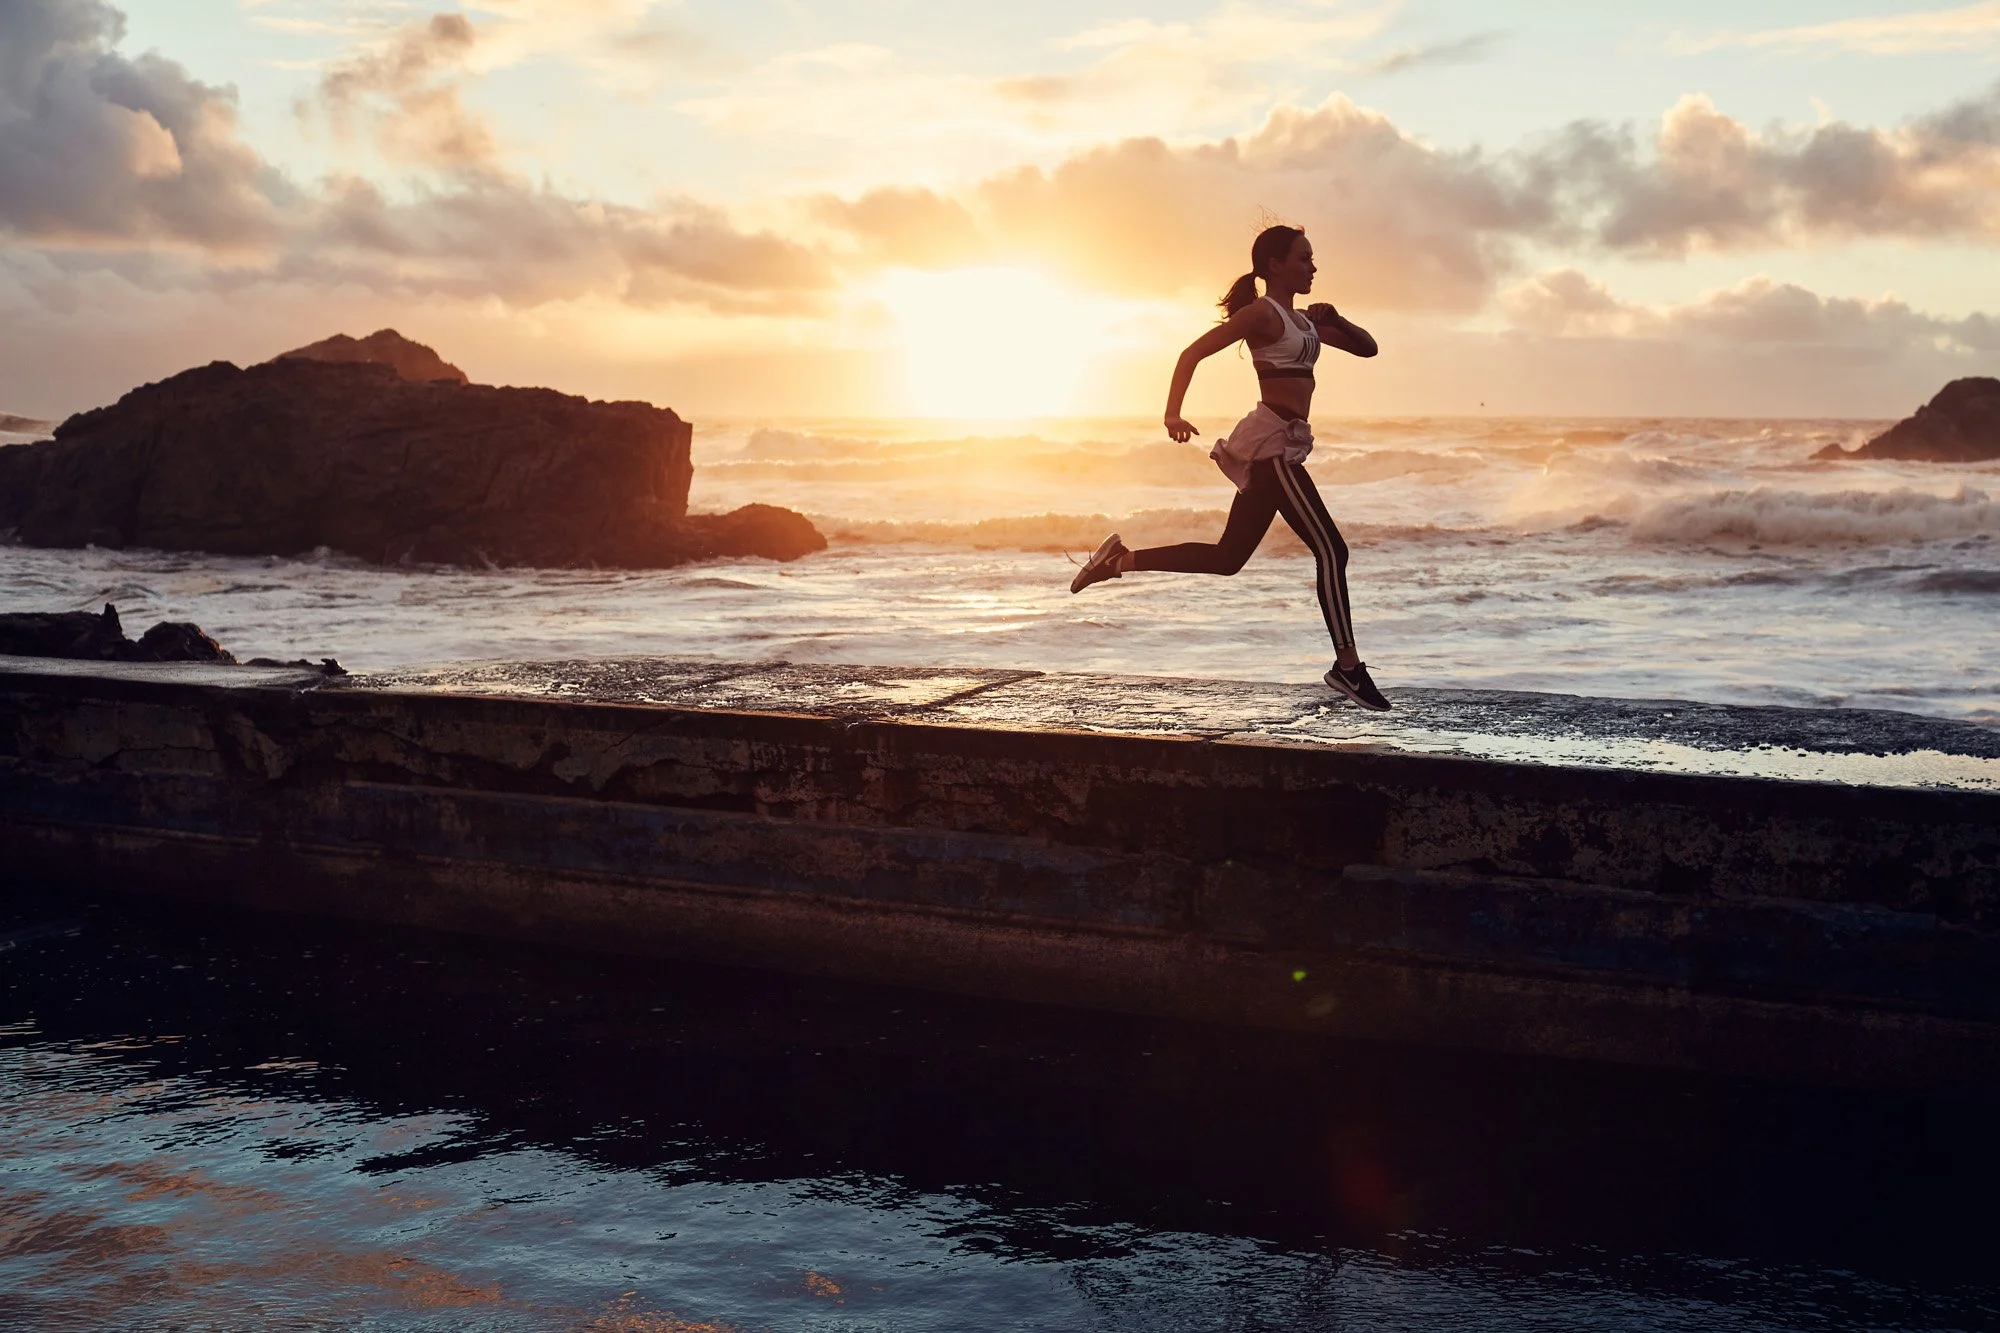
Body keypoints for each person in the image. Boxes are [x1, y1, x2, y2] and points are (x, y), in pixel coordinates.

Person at [1069, 224, 1391, 710]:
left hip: (1282, 445)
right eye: (1303, 259)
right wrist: (1172, 413)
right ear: (1274, 266)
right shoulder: (1261, 315)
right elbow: (1191, 353)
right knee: (1332, 550)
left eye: (1313, 259)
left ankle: (1119, 560)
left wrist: (1338, 318)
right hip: (1271, 447)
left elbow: (1368, 348)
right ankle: (1347, 668)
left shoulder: (1304, 320)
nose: (1313, 267)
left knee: (1227, 558)